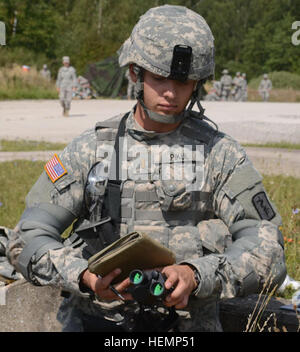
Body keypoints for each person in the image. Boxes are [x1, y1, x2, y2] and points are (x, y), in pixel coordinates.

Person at [6, 5, 286, 332]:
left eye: (182, 81)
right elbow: (26, 237)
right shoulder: (92, 150)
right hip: (96, 322)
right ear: (134, 74)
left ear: (197, 83)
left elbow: (268, 247)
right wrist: (82, 275)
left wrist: (198, 274)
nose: (170, 91)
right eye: (159, 78)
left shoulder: (218, 155)